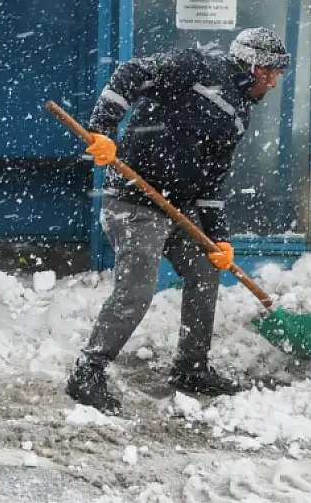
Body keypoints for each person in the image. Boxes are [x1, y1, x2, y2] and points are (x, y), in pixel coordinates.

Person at [66, 27, 291, 414]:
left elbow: (212, 180)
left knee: (205, 270)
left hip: (176, 209)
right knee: (138, 288)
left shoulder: (238, 115)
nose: (273, 83)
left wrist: (218, 238)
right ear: (252, 66)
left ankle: (191, 367)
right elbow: (130, 73)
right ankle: (89, 371)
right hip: (134, 203)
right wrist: (102, 130)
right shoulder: (196, 66)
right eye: (270, 72)